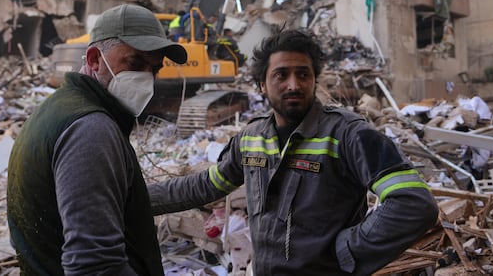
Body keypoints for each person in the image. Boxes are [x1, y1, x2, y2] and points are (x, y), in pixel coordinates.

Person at [149, 29, 439, 275]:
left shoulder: (347, 135)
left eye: (303, 74)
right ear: (262, 84)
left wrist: (348, 249)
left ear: (314, 80)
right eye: (281, 75)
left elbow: (413, 202)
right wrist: (139, 198)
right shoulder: (250, 139)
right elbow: (206, 185)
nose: (294, 84)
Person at [7, 4, 187, 275]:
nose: (146, 79)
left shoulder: (59, 108)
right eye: (135, 63)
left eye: (154, 69)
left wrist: (218, 179)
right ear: (94, 59)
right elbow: (94, 266)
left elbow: (111, 198)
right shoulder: (91, 129)